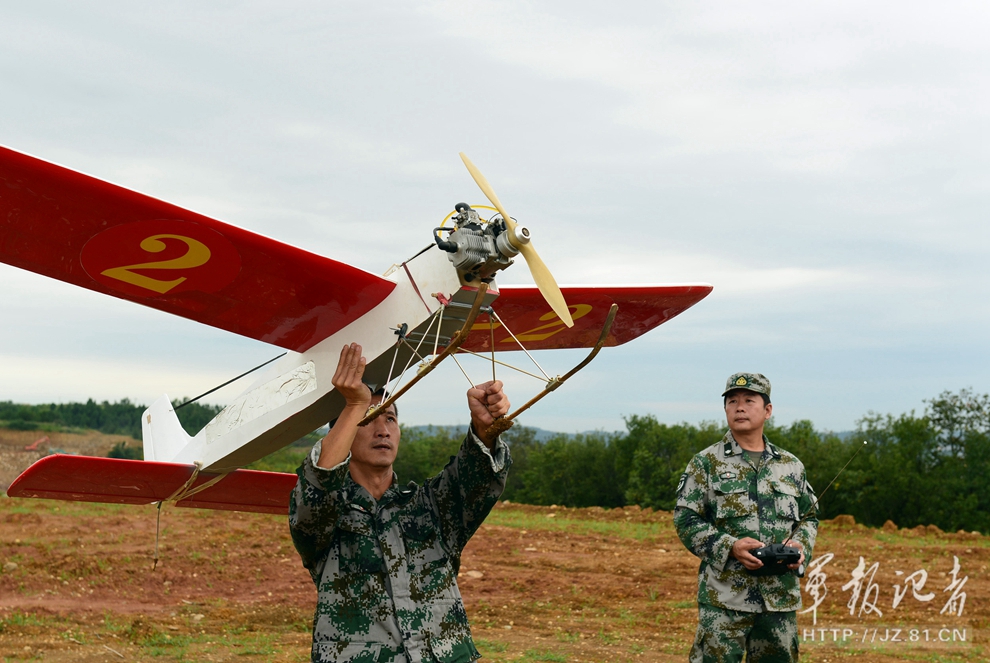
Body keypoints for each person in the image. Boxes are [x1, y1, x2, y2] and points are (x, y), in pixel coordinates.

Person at [289, 342, 512, 663]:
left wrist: (485, 429)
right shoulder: (328, 520)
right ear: (346, 430)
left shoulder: (430, 508)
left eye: (390, 418)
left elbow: (478, 477)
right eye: (369, 418)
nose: (383, 429)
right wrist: (353, 404)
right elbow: (318, 486)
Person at [674, 373, 818, 663]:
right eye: (732, 401)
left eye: (749, 401)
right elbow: (686, 519)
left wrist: (800, 547)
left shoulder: (790, 466)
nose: (739, 407)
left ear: (767, 410)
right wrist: (730, 547)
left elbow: (810, 516)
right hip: (725, 598)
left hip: (779, 599)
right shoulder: (706, 463)